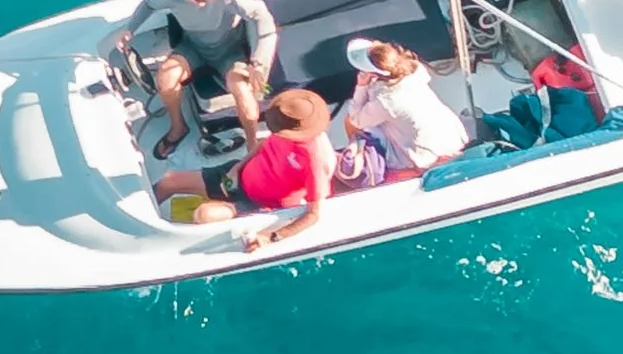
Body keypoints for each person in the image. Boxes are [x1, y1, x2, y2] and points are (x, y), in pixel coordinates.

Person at [155, 88, 334, 255]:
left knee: (205, 214)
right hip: (237, 177)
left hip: (258, 204)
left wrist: (272, 237)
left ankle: (167, 248)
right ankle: (143, 230)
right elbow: (264, 144)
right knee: (168, 181)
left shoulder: (313, 160)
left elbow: (313, 214)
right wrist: (236, 168)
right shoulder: (283, 130)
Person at [134, 0, 278, 159]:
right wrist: (129, 29)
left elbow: (261, 17)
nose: (204, 1)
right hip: (193, 48)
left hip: (229, 52)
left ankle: (252, 145)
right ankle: (178, 128)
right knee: (165, 78)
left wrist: (258, 63)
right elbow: (148, 5)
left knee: (243, 91)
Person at [344, 39, 470, 174]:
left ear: (374, 73)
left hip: (426, 157)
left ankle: (357, 158)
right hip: (453, 138)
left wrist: (362, 86)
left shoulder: (386, 101)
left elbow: (355, 118)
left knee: (349, 121)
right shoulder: (416, 69)